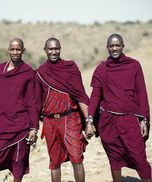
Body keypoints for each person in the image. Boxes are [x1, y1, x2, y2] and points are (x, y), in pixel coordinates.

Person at [88, 34, 152, 182]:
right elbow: (95, 95)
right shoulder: (101, 69)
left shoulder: (134, 65)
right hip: (108, 121)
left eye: (117, 45)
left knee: (139, 157)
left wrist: (144, 119)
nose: (115, 48)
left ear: (123, 46)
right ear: (107, 48)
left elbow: (141, 93)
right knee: (114, 159)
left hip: (129, 120)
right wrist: (90, 119)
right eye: (111, 46)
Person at [35, 37, 95, 182]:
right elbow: (35, 102)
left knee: (76, 157)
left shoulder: (70, 68)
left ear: (60, 49)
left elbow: (81, 95)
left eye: (57, 48)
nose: (54, 52)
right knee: (54, 162)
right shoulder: (40, 73)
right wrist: (33, 127)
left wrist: (88, 122)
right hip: (50, 122)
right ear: (45, 50)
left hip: (70, 118)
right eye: (51, 49)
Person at [0, 38, 39, 182]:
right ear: (8, 50)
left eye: (18, 49)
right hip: (1, 126)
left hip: (21, 126)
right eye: (12, 49)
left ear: (23, 51)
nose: (15, 52)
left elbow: (32, 102)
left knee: (17, 167)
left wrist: (34, 128)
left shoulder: (28, 72)